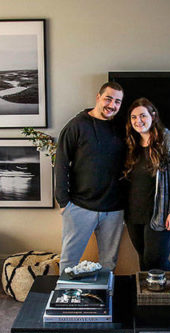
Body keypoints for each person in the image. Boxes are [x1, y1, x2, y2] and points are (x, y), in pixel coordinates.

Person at [53, 82, 126, 273]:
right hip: (79, 207)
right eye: (108, 99)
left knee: (108, 263)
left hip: (114, 210)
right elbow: (60, 163)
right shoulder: (77, 125)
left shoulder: (121, 128)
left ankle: (103, 300)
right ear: (98, 97)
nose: (112, 105)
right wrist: (63, 202)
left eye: (117, 101)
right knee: (69, 262)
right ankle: (65, 300)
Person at [122, 97, 170, 271]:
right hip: (134, 213)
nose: (138, 121)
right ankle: (148, 297)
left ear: (153, 115)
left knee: (155, 261)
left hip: (161, 212)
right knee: (144, 260)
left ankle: (168, 295)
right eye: (134, 117)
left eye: (143, 116)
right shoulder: (132, 143)